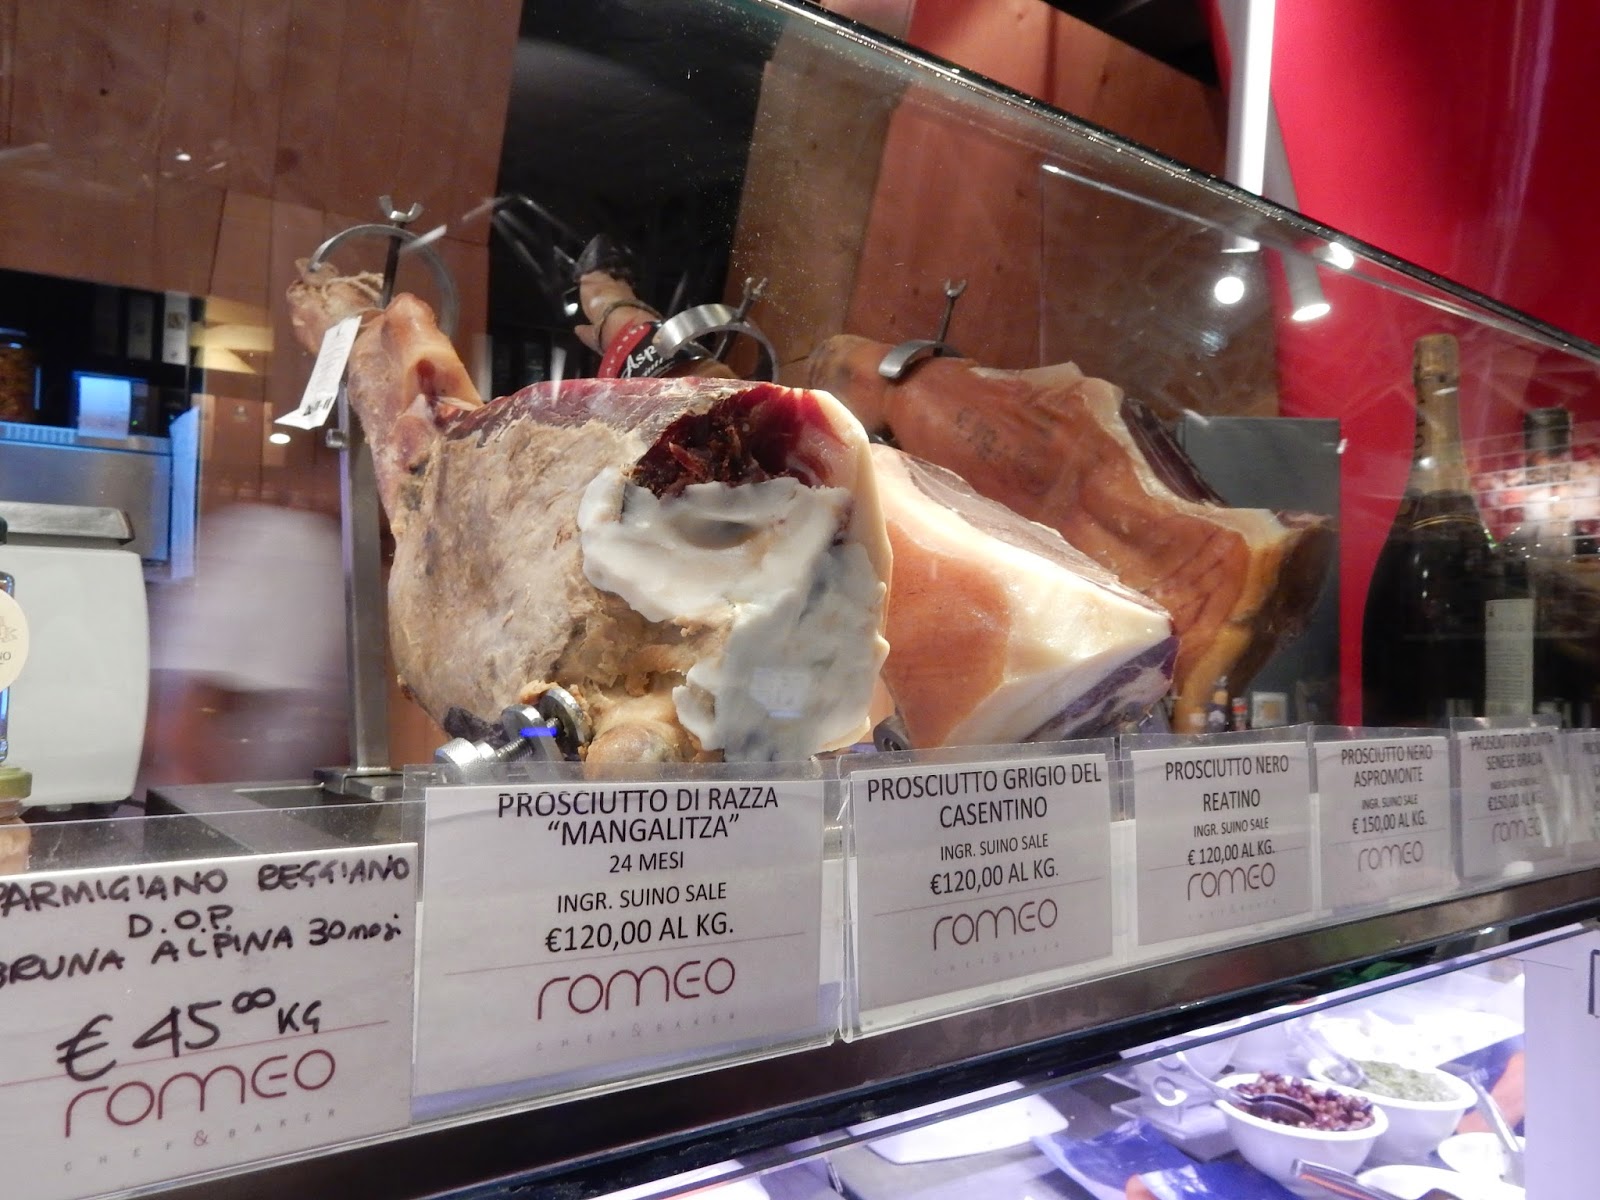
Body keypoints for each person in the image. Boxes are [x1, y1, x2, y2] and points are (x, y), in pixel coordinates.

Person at [143, 503, 348, 786]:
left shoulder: (324, 546)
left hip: (264, 790)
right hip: (224, 793)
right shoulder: (286, 541)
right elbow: (196, 704)